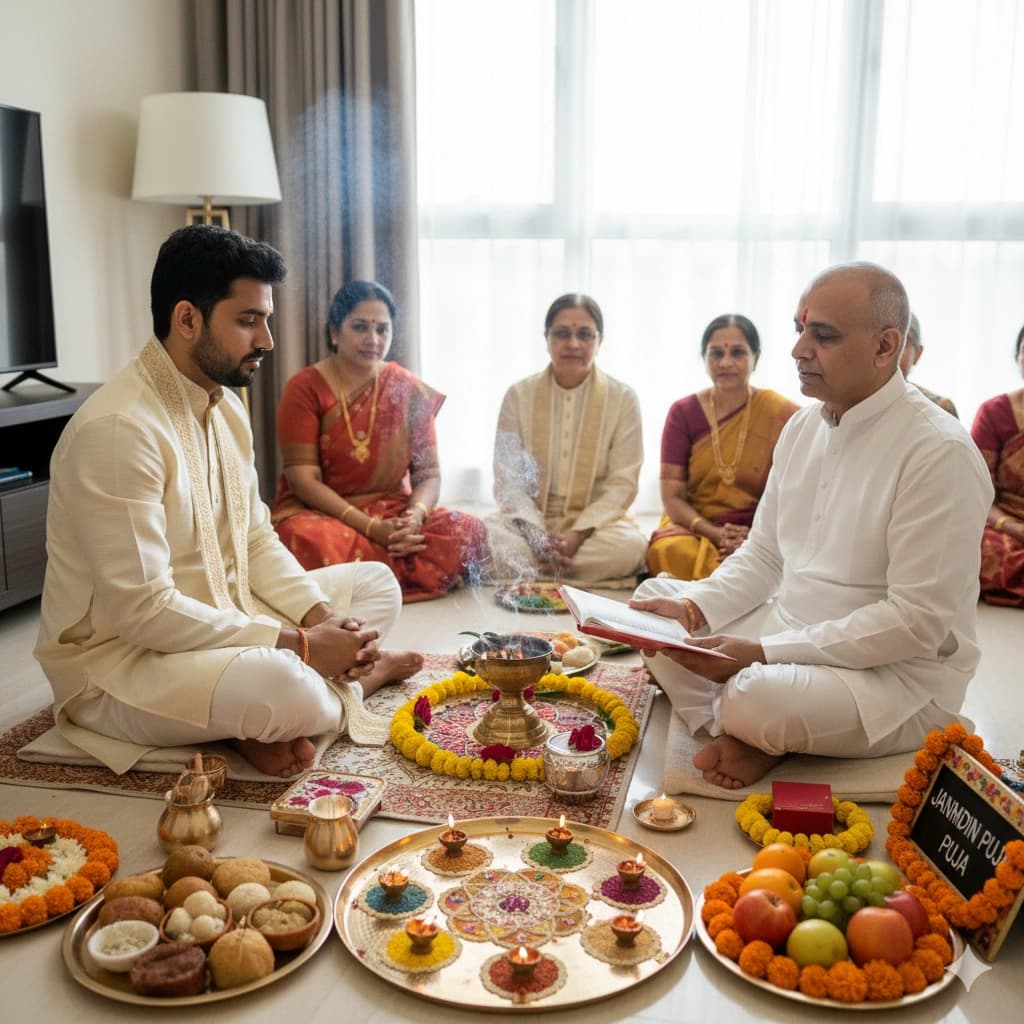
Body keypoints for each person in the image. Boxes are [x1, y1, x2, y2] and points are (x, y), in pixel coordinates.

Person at [35, 226, 421, 780]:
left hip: (228, 619)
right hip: (121, 664)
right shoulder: (121, 431)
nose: (267, 339)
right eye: (248, 321)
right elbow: (144, 612)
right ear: (187, 319)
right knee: (283, 688)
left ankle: (256, 721)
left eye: (265, 319)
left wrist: (322, 620)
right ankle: (353, 682)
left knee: (376, 587)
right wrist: (306, 648)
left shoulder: (227, 409)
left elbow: (256, 540)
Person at [630, 262, 992, 790]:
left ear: (886, 346)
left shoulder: (938, 453)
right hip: (787, 639)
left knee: (758, 697)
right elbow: (764, 556)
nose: (799, 349)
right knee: (654, 608)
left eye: (822, 335)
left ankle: (751, 723)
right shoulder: (803, 427)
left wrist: (762, 654)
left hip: (897, 681)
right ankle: (756, 731)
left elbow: (916, 623)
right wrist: (693, 609)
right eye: (799, 330)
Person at [271, 281, 487, 602]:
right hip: (326, 513)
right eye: (360, 327)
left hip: (393, 510)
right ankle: (397, 573)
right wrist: (371, 529)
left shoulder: (407, 388)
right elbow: (304, 481)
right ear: (334, 332)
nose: (373, 339)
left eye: (382, 330)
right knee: (299, 537)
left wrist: (414, 518)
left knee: (469, 530)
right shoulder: (305, 388)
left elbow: (428, 475)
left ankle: (366, 581)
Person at [485, 293, 648, 587]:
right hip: (528, 525)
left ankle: (537, 569)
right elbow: (508, 479)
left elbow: (623, 482)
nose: (573, 344)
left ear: (600, 341)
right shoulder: (518, 395)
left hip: (592, 530)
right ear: (547, 338)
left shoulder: (623, 399)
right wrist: (535, 535)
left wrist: (577, 535)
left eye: (584, 334)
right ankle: (557, 567)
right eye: (562, 334)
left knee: (631, 547)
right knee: (483, 537)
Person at [646, 315, 799, 580]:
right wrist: (714, 533)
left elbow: (794, 493)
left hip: (756, 530)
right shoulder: (683, 412)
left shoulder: (782, 413)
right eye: (716, 353)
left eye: (738, 352)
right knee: (669, 550)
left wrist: (753, 537)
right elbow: (672, 496)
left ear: (756, 357)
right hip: (695, 527)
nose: (726, 362)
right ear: (704, 358)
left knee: (788, 556)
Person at [970, 324, 1024, 606]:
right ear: (1017, 358)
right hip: (1003, 525)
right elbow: (977, 491)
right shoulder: (994, 413)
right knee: (969, 545)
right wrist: (1011, 525)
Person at [899, 313, 958, 417]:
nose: (890, 353)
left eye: (903, 344)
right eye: (883, 343)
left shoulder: (940, 409)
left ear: (918, 354)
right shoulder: (861, 402)